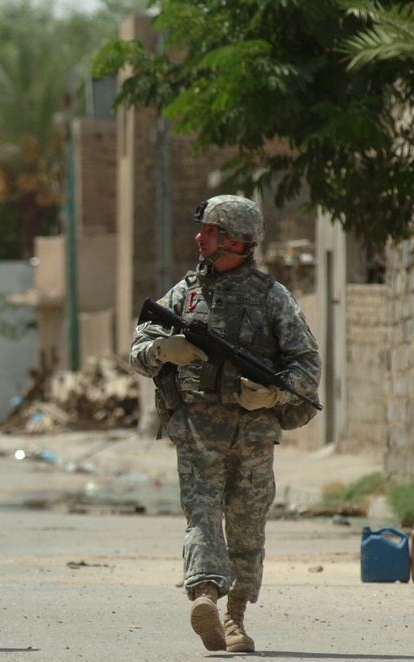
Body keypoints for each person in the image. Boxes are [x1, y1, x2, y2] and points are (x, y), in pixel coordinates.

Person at [129, 195, 321, 653]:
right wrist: (162, 351)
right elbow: (140, 347)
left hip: (254, 436)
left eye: (210, 231)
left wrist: (274, 393)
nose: (200, 238)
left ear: (236, 240)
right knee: (201, 519)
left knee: (247, 528)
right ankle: (206, 599)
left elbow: (306, 365)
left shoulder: (273, 298)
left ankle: (235, 615)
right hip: (197, 430)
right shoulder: (184, 294)